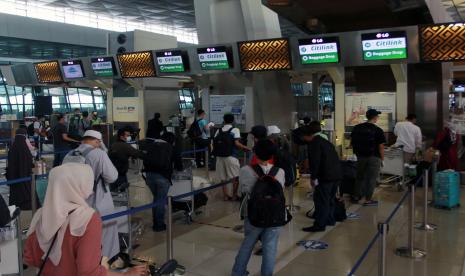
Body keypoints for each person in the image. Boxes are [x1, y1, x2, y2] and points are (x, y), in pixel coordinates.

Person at [23, 163, 148, 276]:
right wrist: (125, 275)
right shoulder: (87, 218)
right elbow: (89, 272)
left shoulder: (41, 214)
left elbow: (31, 258)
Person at [63, 130, 120, 260]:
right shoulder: (98, 154)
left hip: (74, 201)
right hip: (97, 200)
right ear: (97, 141)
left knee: (80, 232)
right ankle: (104, 261)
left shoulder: (70, 154)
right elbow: (112, 177)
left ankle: (82, 258)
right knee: (104, 231)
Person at [232, 139, 285, 276]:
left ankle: (238, 272)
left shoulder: (245, 170)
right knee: (270, 247)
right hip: (275, 214)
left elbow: (242, 192)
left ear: (255, 153)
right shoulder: (280, 172)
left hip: (254, 214)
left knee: (247, 244)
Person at [300, 122, 342, 232]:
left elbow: (315, 162)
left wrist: (313, 178)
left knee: (321, 201)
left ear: (307, 135)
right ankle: (330, 219)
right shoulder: (325, 142)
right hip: (336, 175)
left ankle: (319, 225)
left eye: (303, 136)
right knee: (330, 199)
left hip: (325, 177)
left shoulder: (314, 144)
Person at [142, 132, 183, 232]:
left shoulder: (151, 145)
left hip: (149, 176)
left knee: (156, 198)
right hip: (163, 177)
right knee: (160, 200)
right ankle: (159, 225)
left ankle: (156, 221)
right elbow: (179, 164)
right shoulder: (171, 147)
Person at [350, 109, 386, 206]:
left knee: (359, 177)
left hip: (360, 157)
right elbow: (381, 147)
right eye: (377, 116)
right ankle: (368, 200)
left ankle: (356, 197)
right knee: (371, 178)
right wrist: (382, 159)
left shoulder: (357, 128)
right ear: (375, 118)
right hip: (374, 157)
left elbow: (351, 143)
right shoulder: (378, 130)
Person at [213, 113, 250, 201]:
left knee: (223, 178)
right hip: (231, 157)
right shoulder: (235, 129)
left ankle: (225, 196)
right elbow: (237, 143)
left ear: (224, 120)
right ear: (233, 120)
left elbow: (214, 142)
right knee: (235, 177)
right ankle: (234, 196)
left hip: (219, 157)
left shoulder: (219, 130)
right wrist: (246, 148)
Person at [6, 128, 34, 210]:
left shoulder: (12, 148)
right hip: (25, 177)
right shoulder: (25, 149)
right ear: (24, 136)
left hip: (14, 178)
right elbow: (30, 162)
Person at [109, 127, 144, 192]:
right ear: (121, 137)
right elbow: (137, 154)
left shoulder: (114, 145)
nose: (129, 137)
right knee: (122, 193)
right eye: (127, 136)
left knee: (114, 192)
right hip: (120, 174)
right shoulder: (124, 145)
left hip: (113, 173)